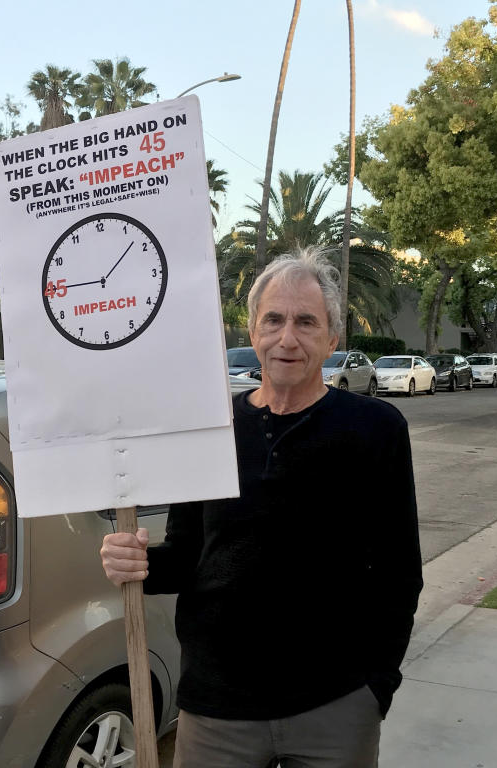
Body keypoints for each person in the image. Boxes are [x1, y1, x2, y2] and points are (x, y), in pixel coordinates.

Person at [100, 247, 423, 768]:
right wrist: (137, 564)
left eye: (305, 322)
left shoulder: (376, 430)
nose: (287, 338)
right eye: (273, 319)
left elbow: (399, 573)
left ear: (332, 339)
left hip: (334, 708)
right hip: (216, 708)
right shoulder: (211, 432)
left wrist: (376, 688)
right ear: (251, 332)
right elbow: (186, 557)